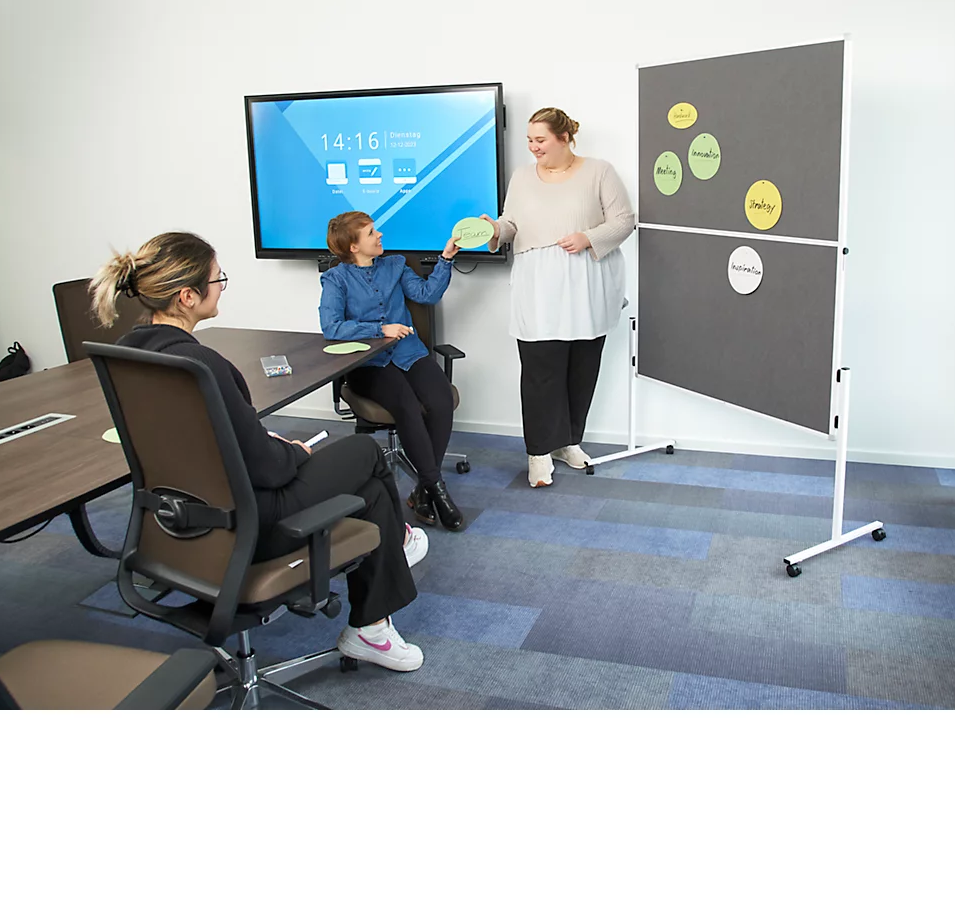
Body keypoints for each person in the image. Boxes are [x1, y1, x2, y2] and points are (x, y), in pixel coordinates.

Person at [89, 231, 426, 673]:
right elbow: (268, 469)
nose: (222, 286)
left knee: (374, 494)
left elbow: (204, 439)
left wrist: (267, 444)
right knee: (364, 453)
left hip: (176, 521)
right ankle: (382, 589)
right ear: (188, 296)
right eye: (217, 279)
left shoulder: (128, 354)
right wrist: (296, 452)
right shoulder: (201, 366)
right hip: (250, 522)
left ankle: (376, 619)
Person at [482, 107, 636, 487]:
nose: (533, 147)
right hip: (538, 285)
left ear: (564, 138)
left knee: (581, 368)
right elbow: (512, 223)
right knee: (540, 369)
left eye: (540, 140)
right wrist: (493, 230)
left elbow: (623, 220)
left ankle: (568, 442)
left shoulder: (599, 171)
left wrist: (587, 237)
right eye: (529, 140)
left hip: (586, 281)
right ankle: (538, 453)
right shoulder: (521, 176)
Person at [319, 212, 465, 531]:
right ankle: (438, 491)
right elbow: (331, 327)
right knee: (408, 407)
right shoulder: (336, 279)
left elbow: (427, 295)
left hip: (408, 353)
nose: (380, 235)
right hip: (369, 363)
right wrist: (379, 329)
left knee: (440, 400)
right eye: (371, 233)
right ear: (354, 247)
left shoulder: (395, 265)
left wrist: (446, 259)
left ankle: (423, 489)